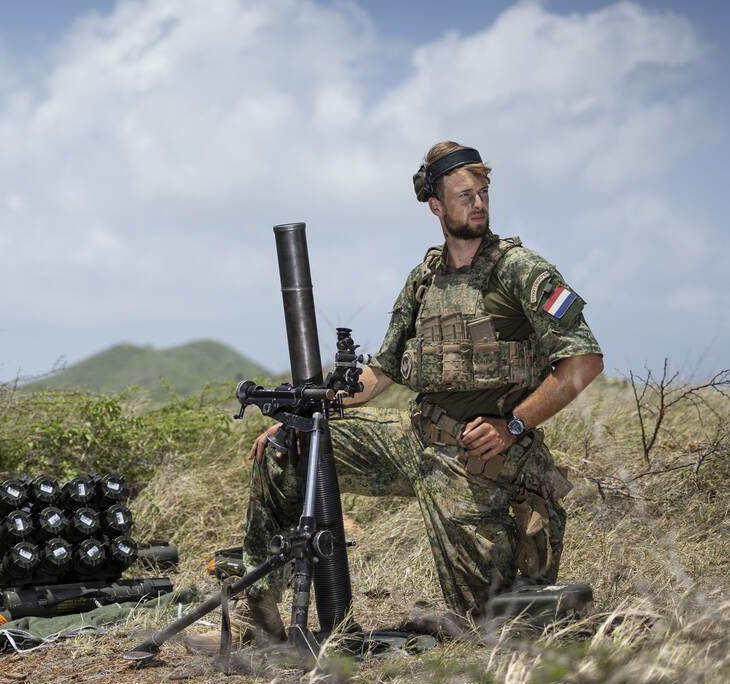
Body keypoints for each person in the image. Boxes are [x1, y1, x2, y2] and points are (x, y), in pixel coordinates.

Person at [238, 141, 604, 640]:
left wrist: (514, 424)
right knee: (287, 446)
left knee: (493, 626)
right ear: (436, 205)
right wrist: (308, 414)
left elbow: (584, 362)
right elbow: (378, 373)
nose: (477, 204)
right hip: (416, 436)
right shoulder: (424, 278)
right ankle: (261, 616)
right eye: (463, 195)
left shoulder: (521, 270)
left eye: (482, 193)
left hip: (479, 458)